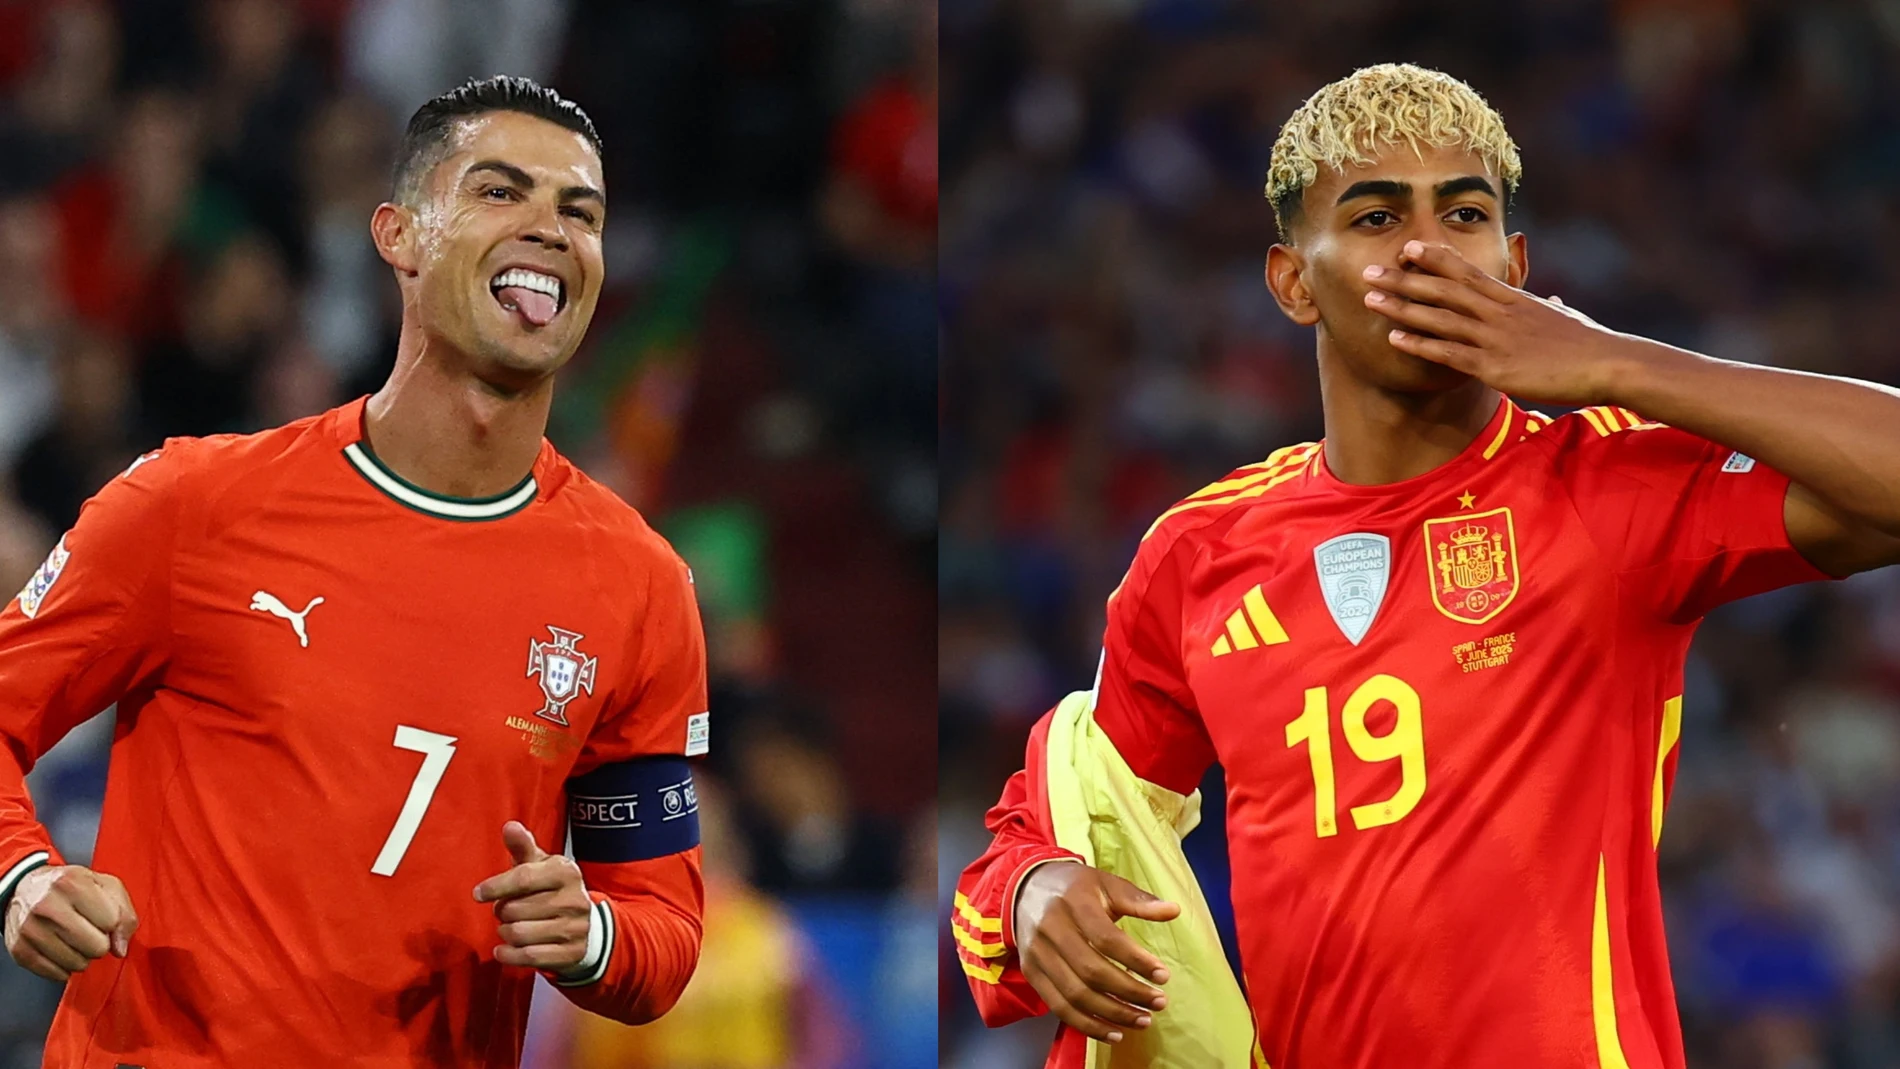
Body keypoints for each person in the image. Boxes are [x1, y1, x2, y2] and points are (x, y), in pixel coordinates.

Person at [953, 63, 1900, 1068]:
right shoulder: (1199, 555)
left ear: (1515, 261)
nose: (1423, 248)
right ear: (1290, 282)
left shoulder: (1606, 482)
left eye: (1462, 213)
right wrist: (1032, 892)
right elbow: (1055, 820)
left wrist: (1618, 361)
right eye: (1371, 218)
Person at [0, 75, 710, 1068]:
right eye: (501, 191)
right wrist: (22, 878)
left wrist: (588, 934)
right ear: (399, 236)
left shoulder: (641, 587)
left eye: (579, 211)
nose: (550, 227)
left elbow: (662, 925)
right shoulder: (191, 505)